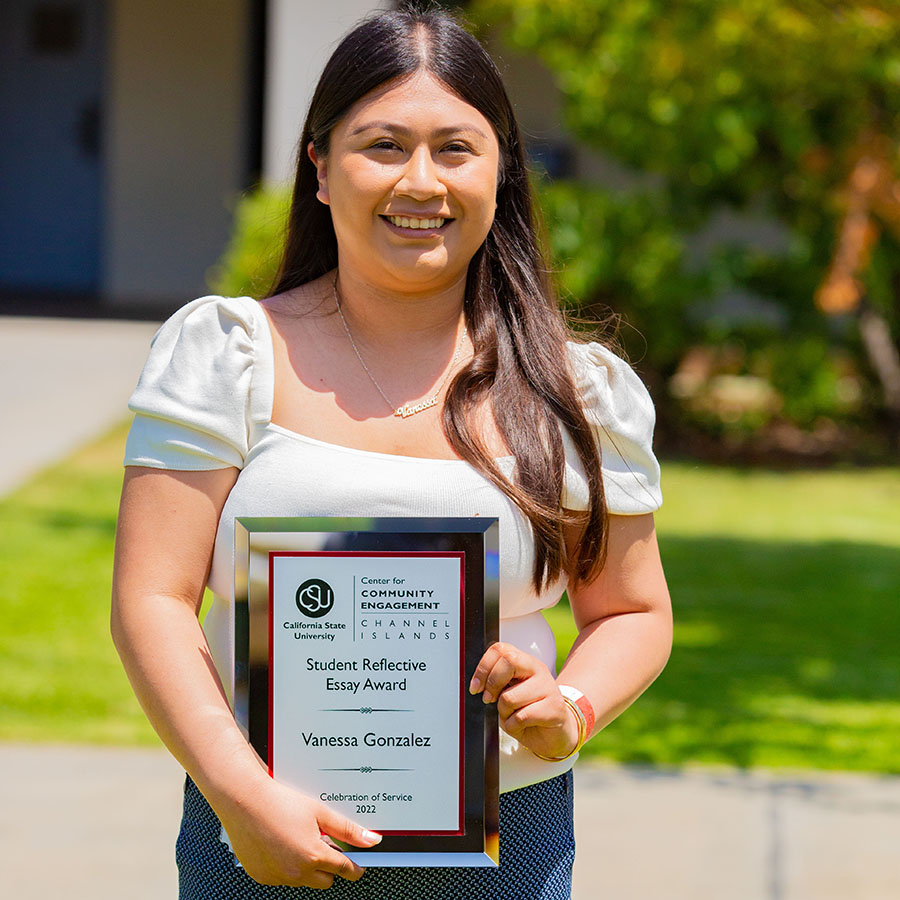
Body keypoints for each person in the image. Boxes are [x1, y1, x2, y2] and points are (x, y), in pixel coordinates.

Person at [111, 6, 672, 899]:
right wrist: (240, 795)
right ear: (322, 169)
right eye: (382, 145)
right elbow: (151, 597)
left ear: (503, 173)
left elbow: (633, 613)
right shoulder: (228, 352)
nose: (422, 182)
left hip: (507, 848)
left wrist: (569, 708)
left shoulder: (579, 391)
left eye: (456, 148)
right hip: (258, 833)